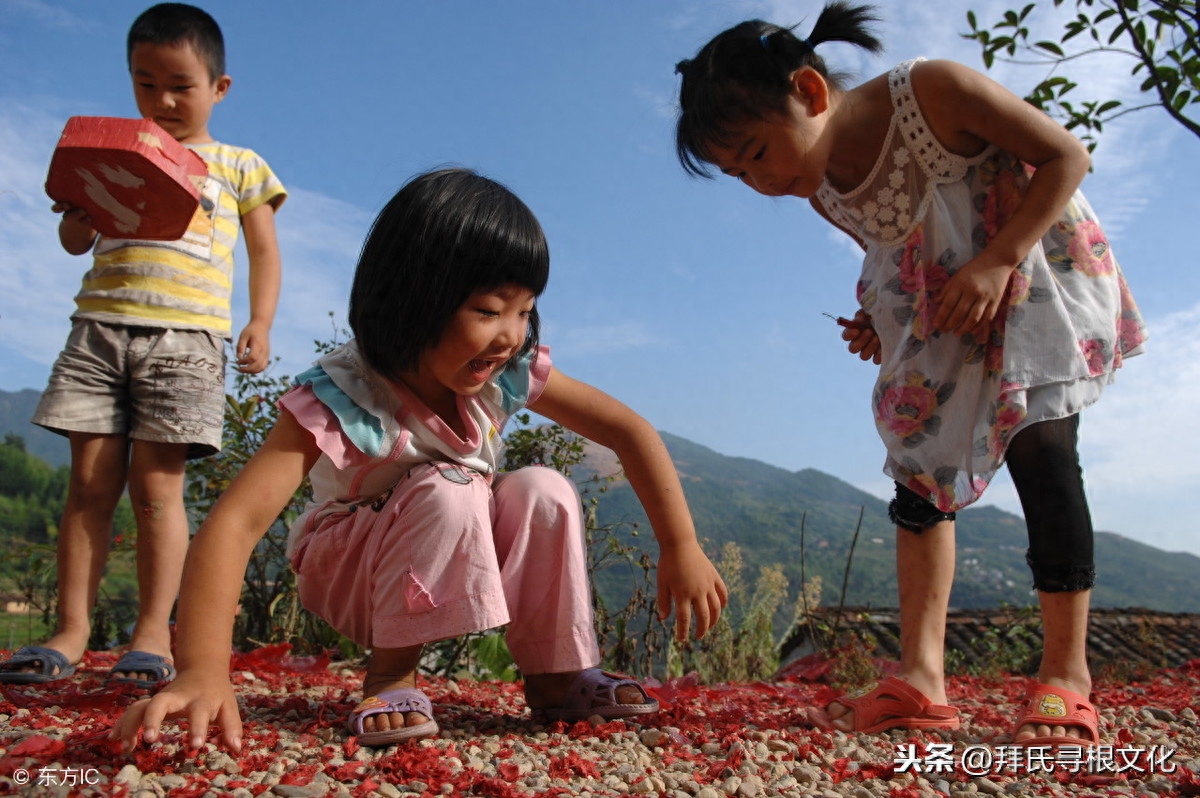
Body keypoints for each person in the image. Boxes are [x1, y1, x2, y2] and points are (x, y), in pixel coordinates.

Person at [111, 167, 728, 751]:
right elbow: (236, 523)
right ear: (412, 302)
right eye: (488, 311)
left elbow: (629, 430)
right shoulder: (346, 393)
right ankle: (389, 680)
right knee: (448, 483)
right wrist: (199, 672)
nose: (512, 334)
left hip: (456, 552)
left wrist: (681, 545)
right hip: (352, 569)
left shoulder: (501, 374)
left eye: (524, 310)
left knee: (542, 487)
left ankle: (558, 677)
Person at [673, 1, 1146, 747]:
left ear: (812, 92)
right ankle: (922, 678)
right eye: (736, 174)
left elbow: (1065, 157)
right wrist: (874, 318)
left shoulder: (932, 92)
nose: (757, 182)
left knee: (1044, 455)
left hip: (1030, 280)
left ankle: (1066, 676)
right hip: (947, 311)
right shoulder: (819, 182)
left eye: (758, 153)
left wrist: (997, 261)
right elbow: (897, 247)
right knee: (917, 475)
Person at [0, 3, 285, 689]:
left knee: (158, 489)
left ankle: (152, 635)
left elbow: (264, 250)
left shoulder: (239, 165)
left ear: (219, 88)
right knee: (87, 486)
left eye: (181, 85)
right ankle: (70, 632)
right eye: (145, 82)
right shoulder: (117, 151)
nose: (163, 100)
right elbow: (77, 241)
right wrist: (76, 210)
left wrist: (260, 321)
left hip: (186, 341)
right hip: (98, 328)